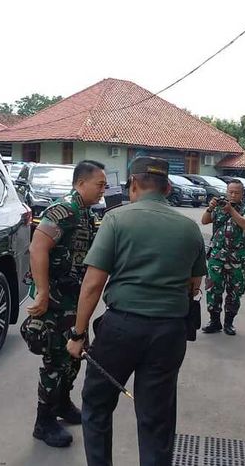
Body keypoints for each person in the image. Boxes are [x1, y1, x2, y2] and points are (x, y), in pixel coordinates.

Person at [66, 156, 206, 466]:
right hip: (170, 332)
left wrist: (78, 334)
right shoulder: (189, 228)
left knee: (98, 403)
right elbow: (194, 284)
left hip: (120, 329)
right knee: (156, 416)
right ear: (168, 187)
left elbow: (92, 284)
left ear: (133, 185)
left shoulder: (117, 220)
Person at [23, 160, 107, 448]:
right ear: (81, 183)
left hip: (74, 300)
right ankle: (43, 421)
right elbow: (37, 247)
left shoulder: (84, 213)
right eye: (99, 185)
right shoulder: (64, 210)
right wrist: (42, 291)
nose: (103, 190)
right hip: (57, 301)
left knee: (75, 354)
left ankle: (61, 403)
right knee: (56, 359)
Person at [200, 179, 245, 335]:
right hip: (217, 256)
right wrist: (210, 208)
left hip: (237, 258)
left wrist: (231, 210)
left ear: (242, 194)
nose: (232, 195)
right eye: (230, 192)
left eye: (236, 192)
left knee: (234, 291)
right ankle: (214, 321)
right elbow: (204, 221)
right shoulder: (218, 207)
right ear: (226, 192)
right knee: (213, 288)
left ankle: (229, 323)